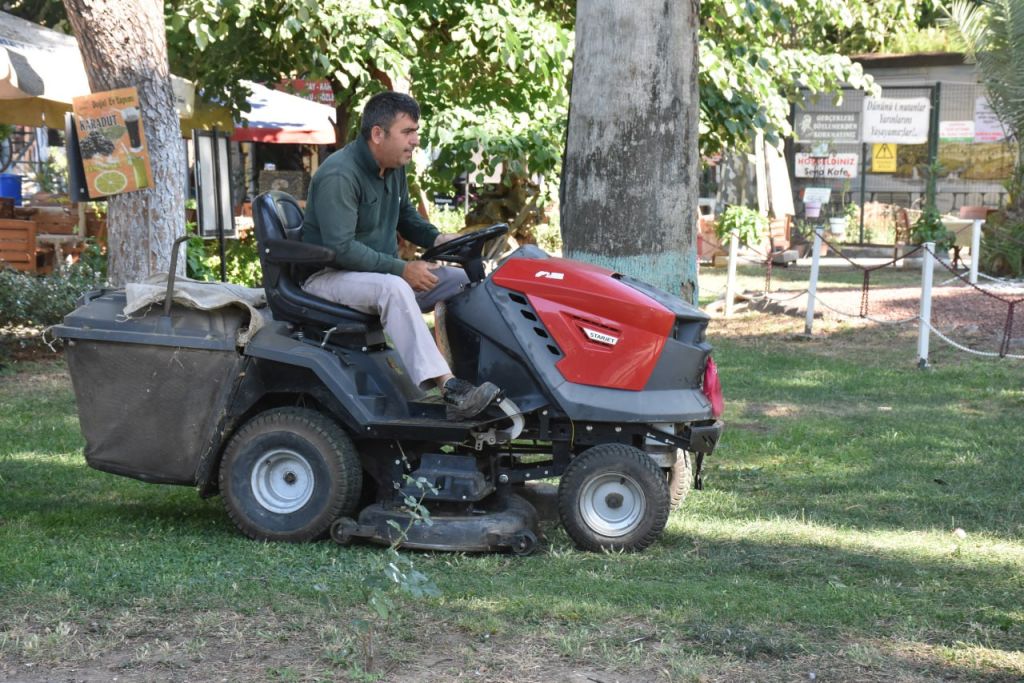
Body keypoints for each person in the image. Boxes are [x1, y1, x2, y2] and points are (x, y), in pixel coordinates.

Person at [300, 91, 501, 421]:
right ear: (378, 134)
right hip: (327, 277)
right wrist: (402, 269)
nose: (415, 140)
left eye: (416, 132)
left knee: (460, 281)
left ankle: (478, 373)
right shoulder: (340, 176)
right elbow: (341, 249)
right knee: (394, 289)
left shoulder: (391, 169)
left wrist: (439, 237)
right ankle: (448, 387)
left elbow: (406, 216)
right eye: (408, 132)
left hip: (373, 275)